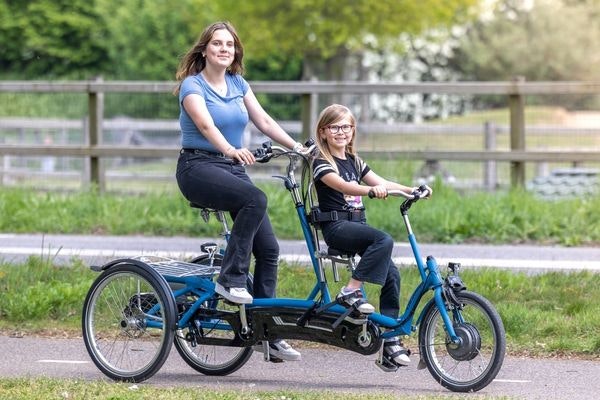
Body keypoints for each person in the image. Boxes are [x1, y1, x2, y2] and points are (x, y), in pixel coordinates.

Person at [173, 21, 302, 361]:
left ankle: (266, 333)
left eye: (230, 44)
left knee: (270, 249)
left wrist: (301, 149)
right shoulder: (193, 86)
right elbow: (205, 125)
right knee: (255, 198)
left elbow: (265, 121)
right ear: (205, 49)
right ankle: (230, 279)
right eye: (217, 43)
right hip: (198, 166)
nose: (224, 49)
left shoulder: (238, 83)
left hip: (230, 168)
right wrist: (231, 149)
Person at [311, 104, 432, 371]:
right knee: (384, 240)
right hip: (338, 230)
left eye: (346, 127)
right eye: (335, 127)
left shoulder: (354, 161)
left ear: (353, 131)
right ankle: (350, 291)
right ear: (323, 132)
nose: (341, 132)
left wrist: (410, 189)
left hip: (358, 229)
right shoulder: (321, 162)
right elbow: (344, 186)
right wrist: (369, 191)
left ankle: (389, 341)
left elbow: (382, 181)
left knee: (393, 275)